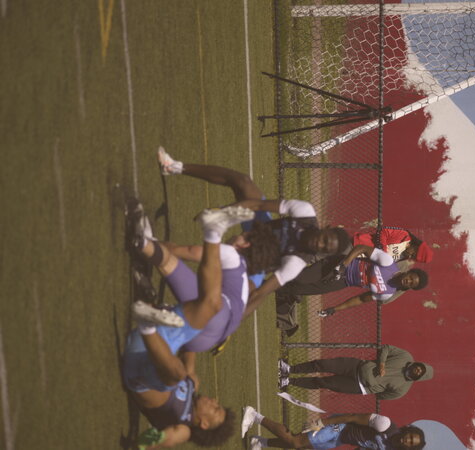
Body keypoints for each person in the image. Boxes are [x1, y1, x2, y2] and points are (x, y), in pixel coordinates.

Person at [157, 147, 351, 319]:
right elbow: (258, 205)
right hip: (259, 229)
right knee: (243, 182)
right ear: (326, 228)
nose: (319, 244)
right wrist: (222, 214)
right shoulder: (305, 212)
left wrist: (234, 320)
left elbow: (261, 293)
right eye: (325, 239)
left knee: (239, 292)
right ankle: (173, 167)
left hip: (254, 262)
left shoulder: (297, 262)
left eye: (325, 249)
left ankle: (184, 314)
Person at [123, 205, 253, 448]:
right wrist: (195, 325)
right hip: (155, 342)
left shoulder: (184, 426)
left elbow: (171, 437)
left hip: (138, 371)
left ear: (203, 423)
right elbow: (190, 348)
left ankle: (149, 321)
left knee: (176, 375)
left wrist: (148, 443)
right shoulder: (193, 383)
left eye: (215, 409)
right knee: (209, 307)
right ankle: (212, 231)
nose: (214, 401)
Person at [128, 200, 280, 353]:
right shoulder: (243, 285)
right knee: (168, 323)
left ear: (245, 244)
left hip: (214, 312)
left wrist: (155, 245)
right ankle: (153, 301)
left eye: (243, 234)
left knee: (168, 261)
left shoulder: (232, 255)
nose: (237, 234)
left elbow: (187, 251)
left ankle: (143, 241)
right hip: (207, 341)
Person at [276, 244, 429, 319]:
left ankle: (276, 289)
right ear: (408, 272)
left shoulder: (387, 293)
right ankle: (274, 268)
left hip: (343, 282)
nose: (408, 281)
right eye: (411, 278)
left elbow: (361, 299)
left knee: (299, 289)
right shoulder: (388, 263)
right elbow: (361, 248)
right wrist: (344, 264)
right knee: (301, 278)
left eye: (411, 284)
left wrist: (335, 309)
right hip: (339, 265)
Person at [277, 344, 433, 400]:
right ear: (419, 363)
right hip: (357, 366)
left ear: (419, 377)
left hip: (358, 386)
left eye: (420, 373)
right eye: (420, 367)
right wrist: (381, 363)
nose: (418, 369)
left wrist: (373, 384)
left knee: (323, 382)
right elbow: (386, 348)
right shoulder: (405, 357)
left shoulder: (403, 389)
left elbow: (382, 396)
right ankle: (289, 369)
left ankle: (288, 381)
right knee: (323, 364)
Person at [240, 406, 426, 450]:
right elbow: (352, 417)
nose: (407, 440)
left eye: (411, 443)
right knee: (297, 441)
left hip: (341, 439)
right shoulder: (385, 425)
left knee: (302, 446)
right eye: (410, 436)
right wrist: (322, 423)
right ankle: (254, 415)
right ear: (408, 430)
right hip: (339, 427)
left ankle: (259, 442)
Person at [353, 226, 433, 263]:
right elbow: (383, 231)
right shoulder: (404, 235)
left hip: (358, 258)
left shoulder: (403, 256)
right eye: (413, 254)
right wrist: (383, 251)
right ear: (416, 246)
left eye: (412, 257)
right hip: (357, 244)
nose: (409, 256)